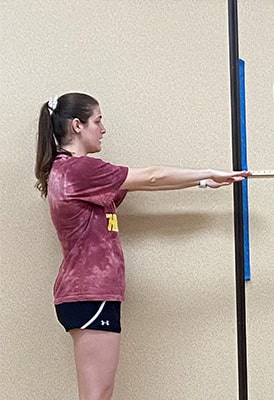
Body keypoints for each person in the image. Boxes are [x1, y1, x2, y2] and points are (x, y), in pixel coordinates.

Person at [34, 92, 251, 400]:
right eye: (98, 121)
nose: (104, 129)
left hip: (87, 295)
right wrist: (207, 172)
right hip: (89, 293)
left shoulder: (76, 174)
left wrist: (202, 183)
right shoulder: (78, 171)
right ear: (77, 126)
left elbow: (147, 182)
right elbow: (151, 176)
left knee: (98, 394)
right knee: (97, 395)